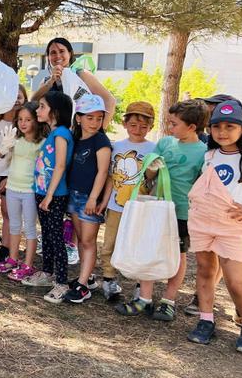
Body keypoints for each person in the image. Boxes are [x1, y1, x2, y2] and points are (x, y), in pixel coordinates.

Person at [117, 99, 208, 320]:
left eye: (175, 124)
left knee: (177, 255)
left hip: (182, 213)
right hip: (156, 209)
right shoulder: (166, 143)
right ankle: (144, 298)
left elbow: (202, 184)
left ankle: (169, 301)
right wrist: (152, 168)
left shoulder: (203, 152)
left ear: (191, 127)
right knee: (150, 249)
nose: (170, 127)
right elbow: (148, 176)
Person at [186, 100, 242, 352]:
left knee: (235, 281)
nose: (222, 132)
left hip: (233, 226)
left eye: (230, 126)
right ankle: (206, 320)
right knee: (204, 271)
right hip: (204, 222)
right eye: (217, 126)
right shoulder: (209, 155)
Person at [98, 102, 156, 300]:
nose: (137, 130)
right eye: (133, 125)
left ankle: (141, 284)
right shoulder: (116, 147)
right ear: (125, 124)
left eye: (143, 126)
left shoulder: (154, 148)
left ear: (151, 127)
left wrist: (152, 168)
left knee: (138, 244)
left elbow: (151, 179)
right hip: (116, 205)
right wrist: (104, 202)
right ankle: (109, 278)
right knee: (110, 243)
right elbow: (110, 178)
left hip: (140, 208)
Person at [22, 91, 74, 304]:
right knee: (48, 235)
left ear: (55, 111)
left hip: (54, 195)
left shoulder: (61, 133)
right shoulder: (53, 133)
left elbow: (61, 165)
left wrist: (50, 195)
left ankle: (61, 283)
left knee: (56, 238)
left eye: (42, 106)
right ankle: (47, 272)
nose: (37, 110)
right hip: (43, 192)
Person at [62, 94, 112, 304]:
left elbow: (103, 172)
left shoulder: (101, 140)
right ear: (79, 118)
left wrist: (94, 198)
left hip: (89, 198)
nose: (94, 122)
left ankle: (83, 286)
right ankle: (86, 277)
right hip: (74, 194)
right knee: (81, 239)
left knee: (89, 241)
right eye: (89, 118)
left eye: (99, 118)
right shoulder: (75, 138)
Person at [0, 102, 47, 281]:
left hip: (30, 191)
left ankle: (28, 264)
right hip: (12, 189)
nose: (23, 123)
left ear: (37, 120)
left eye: (28, 119)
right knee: (14, 225)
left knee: (30, 228)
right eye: (20, 119)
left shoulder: (42, 143)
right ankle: (13, 259)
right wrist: (3, 146)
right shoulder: (15, 140)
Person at [0, 86, 27, 266]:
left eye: (19, 97)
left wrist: (9, 177)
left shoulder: (23, 127)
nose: (15, 100)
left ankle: (5, 247)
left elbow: (23, 156)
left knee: (8, 213)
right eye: (12, 96)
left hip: (10, 176)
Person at [30, 37, 116, 116]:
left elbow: (110, 101)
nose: (58, 56)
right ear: (48, 57)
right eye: (53, 53)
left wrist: (100, 131)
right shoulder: (46, 80)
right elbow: (33, 102)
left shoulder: (82, 75)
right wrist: (51, 81)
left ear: (70, 53)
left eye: (61, 51)